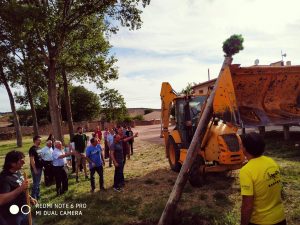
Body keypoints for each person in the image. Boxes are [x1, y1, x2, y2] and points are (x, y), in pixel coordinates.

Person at [239, 132, 286, 225]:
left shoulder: (246, 171)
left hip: (261, 221)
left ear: (244, 148)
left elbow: (247, 206)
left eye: (241, 144)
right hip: (280, 218)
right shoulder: (271, 161)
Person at [0, 150, 37, 225]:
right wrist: (21, 188)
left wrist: (29, 198)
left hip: (24, 211)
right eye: (21, 160)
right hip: (12, 216)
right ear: (12, 163)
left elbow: (20, 188)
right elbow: (1, 199)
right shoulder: (4, 178)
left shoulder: (18, 172)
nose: (24, 162)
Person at [29, 135, 43, 200]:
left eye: (40, 140)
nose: (40, 141)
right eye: (39, 140)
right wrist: (34, 169)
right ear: (35, 140)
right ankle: (33, 197)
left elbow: (40, 158)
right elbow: (32, 160)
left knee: (38, 183)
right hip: (36, 169)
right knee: (36, 183)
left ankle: (38, 195)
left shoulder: (40, 148)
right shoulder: (32, 149)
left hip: (40, 168)